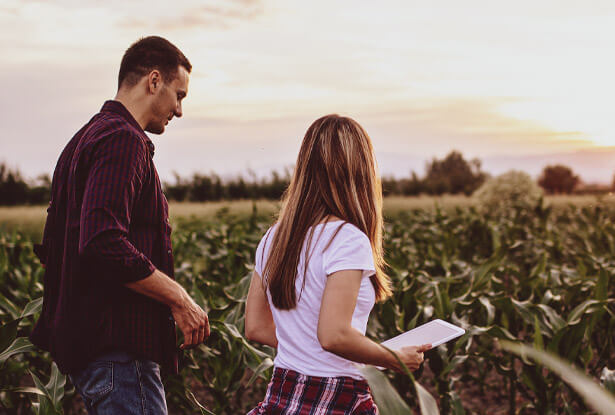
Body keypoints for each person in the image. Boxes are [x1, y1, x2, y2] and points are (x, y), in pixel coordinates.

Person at [30, 36, 209, 415]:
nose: (178, 110)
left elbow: (55, 249)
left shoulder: (83, 139)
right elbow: (102, 241)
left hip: (93, 353)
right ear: (154, 81)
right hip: (119, 354)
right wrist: (179, 298)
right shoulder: (122, 140)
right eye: (179, 96)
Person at [245, 114, 431, 414]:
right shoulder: (347, 239)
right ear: (362, 171)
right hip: (335, 396)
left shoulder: (274, 237)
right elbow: (334, 335)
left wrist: (303, 347)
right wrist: (395, 358)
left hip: (284, 390)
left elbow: (255, 327)